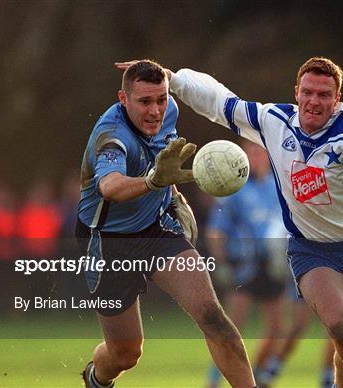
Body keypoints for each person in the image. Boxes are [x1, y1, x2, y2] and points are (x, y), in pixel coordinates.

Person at [117, 56, 343, 387]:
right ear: (297, 92)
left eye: (324, 95)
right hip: (311, 250)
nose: (314, 101)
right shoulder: (274, 120)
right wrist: (174, 79)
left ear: (337, 99)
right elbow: (220, 102)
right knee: (340, 326)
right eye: (308, 92)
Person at [76, 60, 255, 388]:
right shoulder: (111, 134)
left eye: (161, 99)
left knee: (212, 316)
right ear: (123, 99)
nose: (156, 110)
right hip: (106, 241)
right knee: (126, 353)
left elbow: (160, 160)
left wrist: (173, 196)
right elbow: (110, 187)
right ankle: (96, 377)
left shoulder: (169, 107)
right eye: (144, 102)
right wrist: (157, 182)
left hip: (158, 230)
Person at [205, 141, 287, 387]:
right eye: (250, 153)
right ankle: (214, 380)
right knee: (232, 325)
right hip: (244, 265)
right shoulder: (233, 188)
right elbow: (216, 230)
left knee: (276, 328)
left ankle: (256, 378)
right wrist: (221, 263)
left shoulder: (280, 186)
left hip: (274, 264)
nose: (256, 157)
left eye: (260, 152)